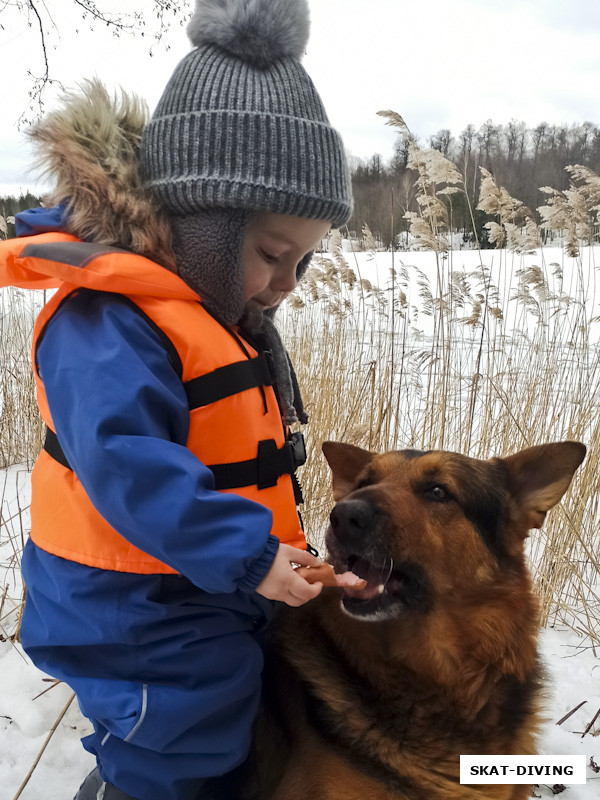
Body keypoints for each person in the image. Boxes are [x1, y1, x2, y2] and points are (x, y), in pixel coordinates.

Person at [0, 0, 353, 798]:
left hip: (192, 583)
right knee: (181, 737)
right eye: (272, 255)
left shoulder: (214, 314)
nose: (286, 287)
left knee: (238, 706)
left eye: (304, 264)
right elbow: (129, 467)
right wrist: (249, 553)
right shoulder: (107, 321)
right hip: (127, 606)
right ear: (205, 226)